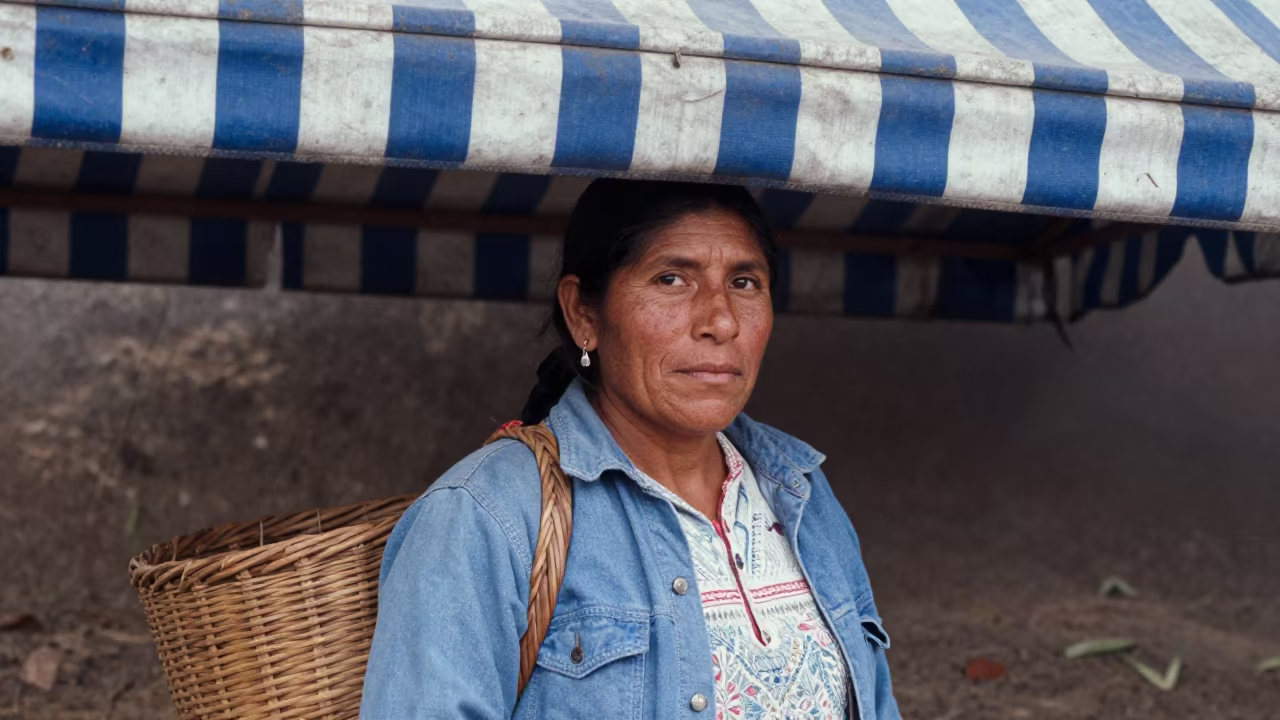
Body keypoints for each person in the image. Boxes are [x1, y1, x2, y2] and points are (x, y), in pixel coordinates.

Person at [360, 179, 899, 719]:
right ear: (584, 315)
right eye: (671, 279)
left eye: (744, 281)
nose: (721, 320)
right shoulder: (487, 513)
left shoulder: (800, 491)